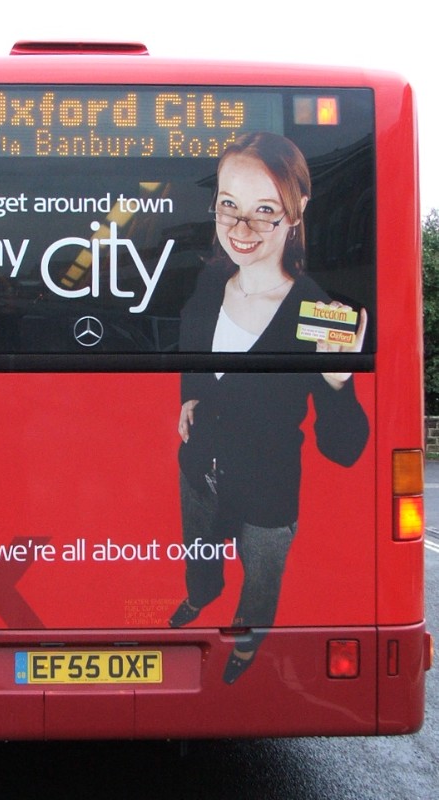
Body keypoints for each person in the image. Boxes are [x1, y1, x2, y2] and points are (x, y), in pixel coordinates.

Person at [168, 132, 369, 684]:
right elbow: (195, 346)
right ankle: (201, 595)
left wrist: (338, 383)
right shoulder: (211, 279)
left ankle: (245, 644)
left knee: (259, 584)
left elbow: (345, 448)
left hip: (268, 488)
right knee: (200, 556)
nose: (241, 228)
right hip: (199, 467)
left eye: (264, 211)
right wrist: (190, 393)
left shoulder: (320, 311)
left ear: (297, 210)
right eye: (228, 206)